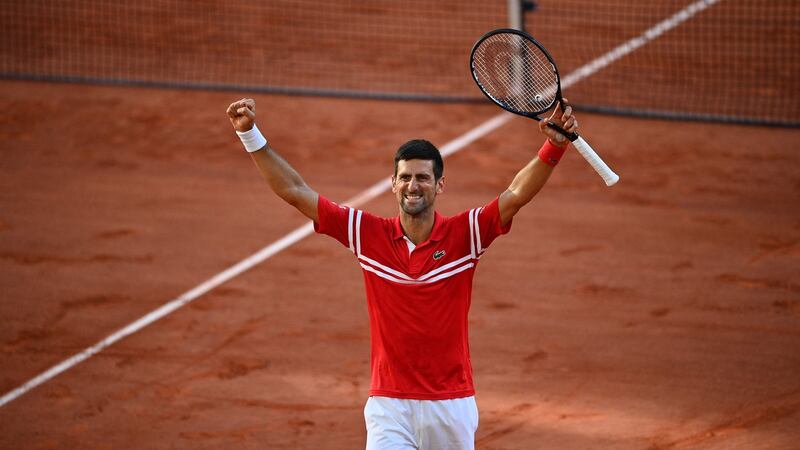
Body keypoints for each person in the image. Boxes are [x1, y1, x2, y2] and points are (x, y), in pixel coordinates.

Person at [226, 98, 578, 449]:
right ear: (393, 184)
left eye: (423, 178)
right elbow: (295, 191)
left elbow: (515, 195)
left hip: (450, 404)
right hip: (389, 405)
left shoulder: (465, 235)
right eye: (405, 177)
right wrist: (250, 135)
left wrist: (554, 146)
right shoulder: (367, 234)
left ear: (439, 185)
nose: (413, 185)